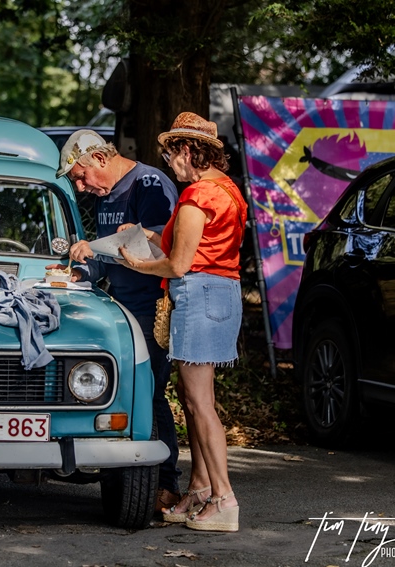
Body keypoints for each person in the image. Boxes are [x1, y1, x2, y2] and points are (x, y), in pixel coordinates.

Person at [118, 112, 246, 532]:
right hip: (222, 293)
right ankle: (202, 489)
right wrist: (150, 235)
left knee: (198, 404)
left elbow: (177, 265)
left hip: (198, 295)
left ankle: (224, 499)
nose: (169, 164)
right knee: (199, 401)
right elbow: (199, 246)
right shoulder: (227, 190)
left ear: (188, 151)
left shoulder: (197, 196)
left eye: (171, 155)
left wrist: (136, 262)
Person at [47, 128, 182, 514]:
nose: (81, 186)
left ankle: (165, 484)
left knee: (148, 392)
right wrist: (81, 271)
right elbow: (109, 258)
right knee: (120, 392)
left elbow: (162, 244)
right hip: (121, 305)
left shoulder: (148, 183)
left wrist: (105, 246)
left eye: (80, 176)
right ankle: (122, 478)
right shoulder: (106, 193)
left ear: (100, 158)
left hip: (151, 305)